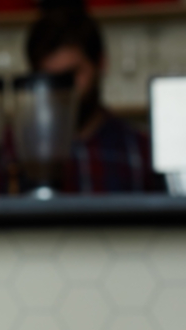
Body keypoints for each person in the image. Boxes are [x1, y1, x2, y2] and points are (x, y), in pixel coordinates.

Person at [24, 10, 167, 193]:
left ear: (101, 64)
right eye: (51, 78)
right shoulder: (11, 154)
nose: (63, 89)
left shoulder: (141, 151)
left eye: (72, 74)